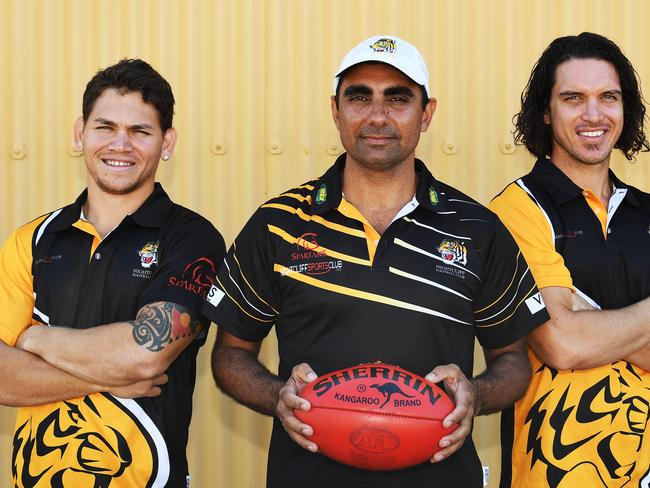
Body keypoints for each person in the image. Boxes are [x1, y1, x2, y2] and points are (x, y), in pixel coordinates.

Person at [203, 35, 548, 487]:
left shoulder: (476, 228)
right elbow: (229, 355)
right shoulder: (280, 224)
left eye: (398, 99)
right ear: (336, 110)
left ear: (427, 114)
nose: (378, 116)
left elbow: (513, 360)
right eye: (359, 97)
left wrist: (476, 395)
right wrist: (277, 395)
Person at [0, 59, 225, 487]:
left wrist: (33, 338)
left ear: (167, 142)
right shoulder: (31, 240)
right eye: (105, 127)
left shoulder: (192, 239)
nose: (120, 145)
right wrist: (111, 374)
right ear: (79, 133)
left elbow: (146, 355)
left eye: (140, 131)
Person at [489, 32, 650, 487]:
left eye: (609, 97)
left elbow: (576, 334)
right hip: (555, 470)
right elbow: (561, 344)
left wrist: (584, 313)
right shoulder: (517, 209)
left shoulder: (647, 210)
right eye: (573, 98)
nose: (593, 114)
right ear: (546, 110)